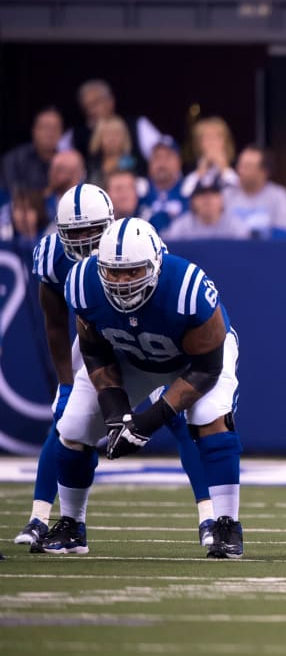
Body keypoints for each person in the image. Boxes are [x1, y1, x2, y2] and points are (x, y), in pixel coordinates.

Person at [16, 186, 214, 551]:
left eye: (90, 230)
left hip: (146, 340)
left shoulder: (137, 247)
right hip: (95, 337)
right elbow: (57, 324)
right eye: (72, 233)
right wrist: (65, 383)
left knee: (179, 418)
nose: (82, 241)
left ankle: (210, 517)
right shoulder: (55, 260)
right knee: (70, 421)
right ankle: (44, 517)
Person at [48, 218, 243, 558]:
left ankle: (226, 523)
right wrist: (116, 414)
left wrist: (147, 421)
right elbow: (95, 351)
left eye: (133, 272)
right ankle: (71, 525)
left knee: (210, 414)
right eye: (113, 272)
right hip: (130, 356)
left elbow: (206, 368)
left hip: (192, 361)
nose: (122, 282)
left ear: (155, 264)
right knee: (74, 424)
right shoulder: (82, 282)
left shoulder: (187, 287)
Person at [227, 145, 286, 240]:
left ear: (264, 172)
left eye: (247, 166)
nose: (240, 170)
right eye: (240, 165)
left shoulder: (279, 196)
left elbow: (284, 237)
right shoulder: (226, 195)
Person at [163, 179, 252, 241]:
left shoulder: (234, 226)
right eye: (201, 193)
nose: (207, 198)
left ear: (222, 199)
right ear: (192, 201)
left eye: (213, 193)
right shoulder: (181, 227)